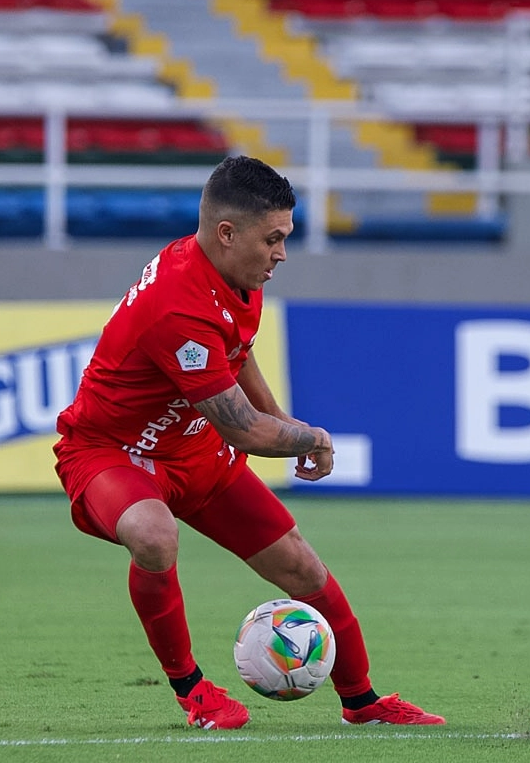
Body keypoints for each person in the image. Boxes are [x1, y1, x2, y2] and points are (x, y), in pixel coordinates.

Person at [53, 155, 444, 730]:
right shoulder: (179, 302)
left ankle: (362, 701)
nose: (282, 253)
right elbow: (242, 430)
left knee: (302, 569)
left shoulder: (234, 274)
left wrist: (281, 418)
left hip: (195, 452)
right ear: (227, 233)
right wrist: (308, 435)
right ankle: (194, 692)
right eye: (274, 239)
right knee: (154, 537)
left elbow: (237, 354)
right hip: (111, 453)